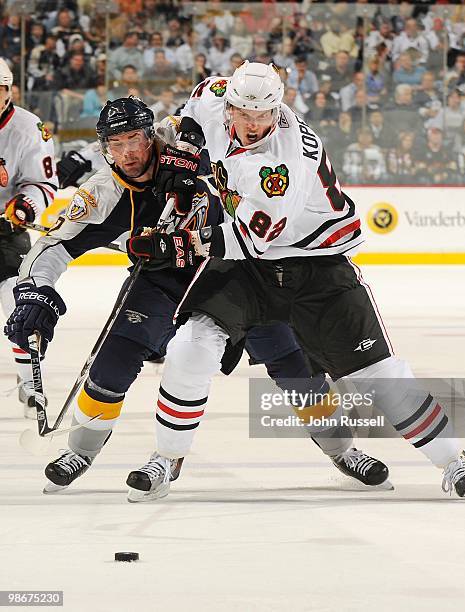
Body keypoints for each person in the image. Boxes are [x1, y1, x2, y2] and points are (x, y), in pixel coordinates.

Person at [126, 61, 465, 503]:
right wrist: (187, 143)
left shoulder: (287, 160)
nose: (254, 125)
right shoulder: (216, 93)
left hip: (312, 265)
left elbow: (253, 239)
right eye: (244, 113)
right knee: (191, 346)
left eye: (264, 115)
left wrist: (175, 244)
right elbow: (191, 112)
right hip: (250, 271)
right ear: (232, 104)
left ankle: (454, 460)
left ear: (279, 108)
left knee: (378, 375)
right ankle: (167, 457)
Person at [6, 97, 389, 497]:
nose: (128, 153)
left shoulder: (191, 138)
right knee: (114, 360)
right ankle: (80, 452)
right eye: (115, 145)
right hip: (162, 280)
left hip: (235, 272)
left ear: (151, 134)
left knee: (293, 361)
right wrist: (36, 293)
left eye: (134, 139)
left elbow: (229, 101)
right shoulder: (104, 194)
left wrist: (192, 140)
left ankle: (343, 449)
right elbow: (51, 247)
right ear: (104, 148)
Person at [0, 57, 58, 418]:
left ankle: (29, 381)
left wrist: (25, 207)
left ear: (9, 91)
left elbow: (44, 183)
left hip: (4, 232)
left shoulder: (28, 128)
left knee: (17, 301)